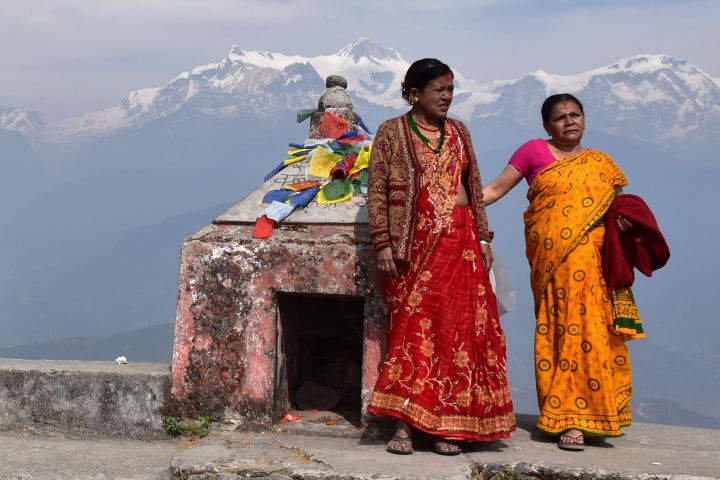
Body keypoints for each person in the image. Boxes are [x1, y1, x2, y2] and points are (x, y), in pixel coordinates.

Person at [367, 58, 515, 455]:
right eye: (440, 90)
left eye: (450, 90)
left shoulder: (460, 132)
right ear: (414, 94)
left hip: (462, 247)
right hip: (412, 252)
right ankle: (405, 426)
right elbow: (377, 190)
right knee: (412, 332)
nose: (447, 97)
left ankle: (452, 426)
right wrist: (383, 243)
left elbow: (474, 183)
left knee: (461, 334)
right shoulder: (392, 133)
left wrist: (483, 239)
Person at [482, 93, 640, 451]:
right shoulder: (533, 152)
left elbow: (616, 208)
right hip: (554, 260)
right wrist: (447, 200)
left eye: (575, 114)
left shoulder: (602, 164)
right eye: (560, 117)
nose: (569, 121)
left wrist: (626, 223)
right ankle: (569, 419)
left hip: (595, 262)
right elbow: (493, 190)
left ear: (584, 119)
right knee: (563, 329)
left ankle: (601, 414)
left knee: (595, 329)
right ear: (546, 126)